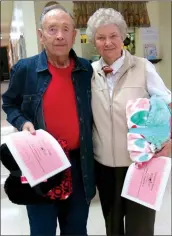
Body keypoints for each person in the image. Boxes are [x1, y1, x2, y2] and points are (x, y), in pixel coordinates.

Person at [2, 5, 96, 236]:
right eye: (52, 29)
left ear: (74, 35)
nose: (60, 35)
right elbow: (9, 103)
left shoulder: (85, 70)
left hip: (78, 163)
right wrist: (22, 121)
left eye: (66, 29)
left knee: (76, 229)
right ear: (41, 35)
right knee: (42, 229)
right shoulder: (26, 69)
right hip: (39, 164)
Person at [86, 8, 171, 236]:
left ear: (123, 36)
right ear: (94, 41)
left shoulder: (143, 67)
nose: (108, 42)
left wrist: (170, 140)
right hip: (105, 167)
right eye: (101, 37)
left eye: (113, 35)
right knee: (112, 229)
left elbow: (168, 104)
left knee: (140, 229)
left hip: (141, 165)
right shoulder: (89, 73)